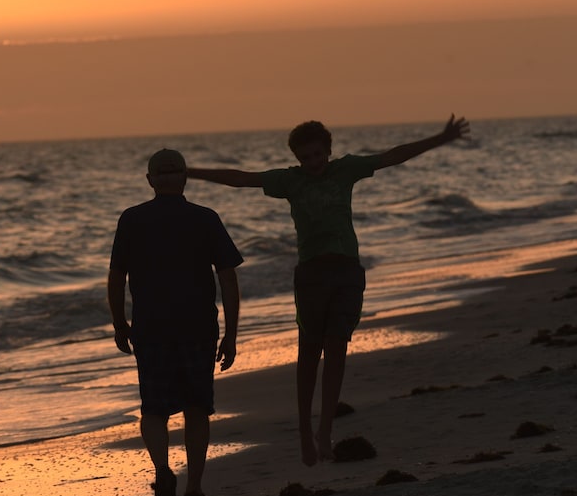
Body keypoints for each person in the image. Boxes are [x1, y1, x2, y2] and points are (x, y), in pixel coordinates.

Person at [187, 115, 469, 467]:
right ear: (297, 158)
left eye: (318, 155)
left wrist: (440, 139)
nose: (313, 163)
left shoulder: (346, 170)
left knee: (338, 347)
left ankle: (325, 430)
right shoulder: (289, 180)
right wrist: (192, 173)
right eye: (306, 158)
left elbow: (393, 156)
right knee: (309, 352)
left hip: (347, 271)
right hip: (311, 276)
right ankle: (305, 430)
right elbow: (240, 179)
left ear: (328, 152)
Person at [108, 148, 243, 496]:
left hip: (152, 329)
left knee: (154, 409)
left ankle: (163, 473)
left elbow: (117, 276)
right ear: (184, 179)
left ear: (151, 181)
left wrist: (120, 323)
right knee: (197, 409)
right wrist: (231, 334)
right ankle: (195, 490)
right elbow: (228, 277)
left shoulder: (132, 220)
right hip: (198, 327)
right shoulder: (204, 218)